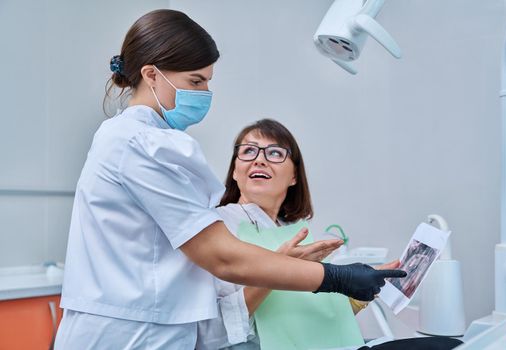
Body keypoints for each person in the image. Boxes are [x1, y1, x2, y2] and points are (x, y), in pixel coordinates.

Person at [54, 10, 406, 349]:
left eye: (207, 81)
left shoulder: (136, 139)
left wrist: (329, 283)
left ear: (295, 174)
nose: (205, 92)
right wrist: (337, 279)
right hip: (128, 334)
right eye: (195, 81)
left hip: (154, 329)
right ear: (151, 75)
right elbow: (223, 258)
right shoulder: (140, 143)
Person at [196, 119, 464, 350]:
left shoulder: (291, 230)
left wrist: (358, 297)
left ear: (294, 176)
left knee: (453, 345)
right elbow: (209, 333)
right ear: (235, 169)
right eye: (248, 151)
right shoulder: (219, 226)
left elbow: (301, 316)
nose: (259, 159)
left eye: (275, 153)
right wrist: (277, 268)